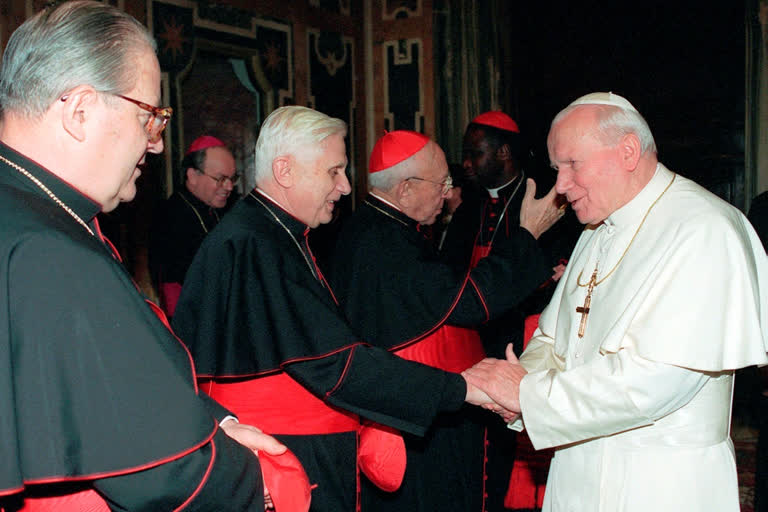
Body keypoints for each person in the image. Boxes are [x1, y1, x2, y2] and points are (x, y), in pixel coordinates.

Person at [0, 2, 297, 511]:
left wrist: (214, 424)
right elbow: (161, 472)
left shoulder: (35, 211)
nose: (156, 145)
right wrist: (263, 486)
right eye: (150, 117)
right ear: (80, 112)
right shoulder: (48, 251)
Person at [172, 106, 492, 512]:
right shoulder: (256, 244)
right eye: (334, 171)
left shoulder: (272, 234)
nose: (344, 187)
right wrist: (462, 389)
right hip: (289, 463)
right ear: (285, 171)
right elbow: (336, 367)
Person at [464, 92, 768, 512]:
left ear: (628, 151)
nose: (561, 186)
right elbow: (554, 340)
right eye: (557, 169)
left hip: (661, 483)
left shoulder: (705, 229)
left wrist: (529, 396)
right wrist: (513, 390)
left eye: (573, 165)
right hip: (576, 468)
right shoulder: (596, 230)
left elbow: (659, 381)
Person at [327, 129, 563, 512]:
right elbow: (468, 300)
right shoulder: (384, 242)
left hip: (415, 406)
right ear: (405, 189)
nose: (449, 192)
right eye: (442, 183)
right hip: (416, 417)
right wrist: (528, 234)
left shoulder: (379, 227)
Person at [150, 135, 239, 315]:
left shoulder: (220, 210)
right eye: (221, 179)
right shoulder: (172, 217)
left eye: (232, 178)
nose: (229, 187)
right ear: (193, 176)